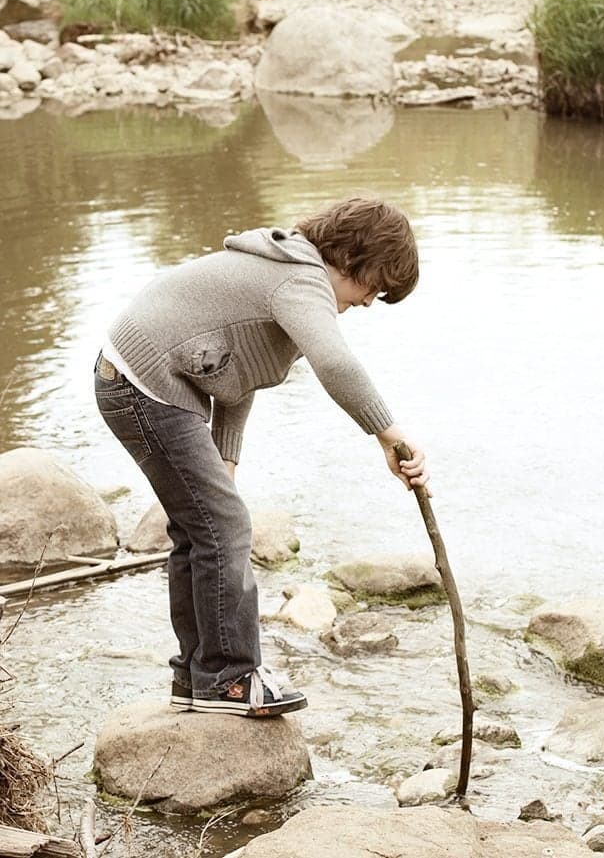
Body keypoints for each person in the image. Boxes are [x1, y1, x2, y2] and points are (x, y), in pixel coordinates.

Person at [94, 197, 429, 719]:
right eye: (374, 285)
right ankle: (229, 680)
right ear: (354, 258)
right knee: (224, 528)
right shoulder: (302, 279)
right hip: (144, 384)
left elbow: (231, 375)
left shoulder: (283, 273)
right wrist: (389, 435)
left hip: (137, 379)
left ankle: (196, 676)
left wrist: (225, 459)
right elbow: (336, 365)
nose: (368, 302)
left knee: (202, 528)